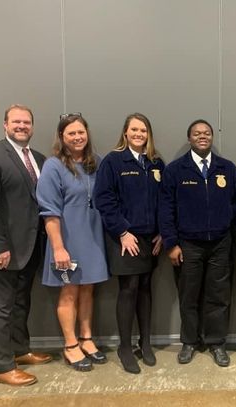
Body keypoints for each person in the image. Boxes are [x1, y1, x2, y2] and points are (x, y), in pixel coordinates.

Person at [0, 104, 52, 386]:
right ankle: (1, 367)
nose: (22, 126)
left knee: (19, 305)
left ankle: (20, 350)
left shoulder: (38, 158)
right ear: (5, 124)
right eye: (16, 121)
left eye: (27, 122)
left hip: (27, 250)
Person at [159, 119, 236, 367]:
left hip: (220, 244)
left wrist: (229, 229)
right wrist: (171, 244)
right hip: (187, 245)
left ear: (212, 138)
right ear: (190, 139)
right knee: (189, 295)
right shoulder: (175, 170)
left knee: (218, 296)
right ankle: (190, 341)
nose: (202, 136)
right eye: (197, 133)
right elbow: (165, 209)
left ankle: (217, 343)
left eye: (206, 133)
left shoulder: (227, 169)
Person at [37, 113, 109, 372]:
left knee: (88, 289)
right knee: (69, 292)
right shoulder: (53, 166)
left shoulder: (96, 163)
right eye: (71, 134)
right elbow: (49, 211)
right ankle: (70, 345)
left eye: (81, 132)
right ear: (62, 137)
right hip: (66, 240)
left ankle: (86, 339)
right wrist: (58, 247)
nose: (77, 137)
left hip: (93, 237)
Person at [93, 113, 164, 374]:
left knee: (146, 287)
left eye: (143, 130)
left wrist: (163, 233)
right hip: (124, 238)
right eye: (134, 130)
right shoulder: (113, 162)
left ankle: (144, 343)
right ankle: (124, 347)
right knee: (129, 288)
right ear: (125, 132)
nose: (139, 134)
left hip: (150, 239)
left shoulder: (156, 163)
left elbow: (165, 201)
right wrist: (122, 232)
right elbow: (104, 199)